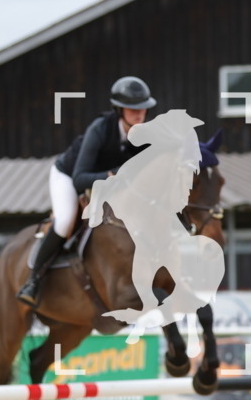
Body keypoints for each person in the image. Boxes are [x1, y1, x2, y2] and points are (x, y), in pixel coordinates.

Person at [17, 75, 156, 307]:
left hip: (108, 185)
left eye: (143, 109)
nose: (139, 114)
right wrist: (112, 175)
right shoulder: (100, 130)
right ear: (119, 110)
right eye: (132, 109)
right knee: (65, 221)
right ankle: (33, 281)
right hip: (69, 175)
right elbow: (80, 180)